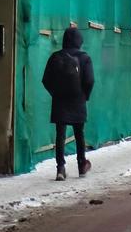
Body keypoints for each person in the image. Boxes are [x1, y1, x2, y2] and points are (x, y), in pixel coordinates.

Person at [41, 25, 95, 181]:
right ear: (79, 40)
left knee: (60, 135)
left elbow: (46, 80)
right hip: (78, 100)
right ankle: (81, 165)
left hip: (60, 101)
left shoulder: (55, 57)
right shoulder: (84, 58)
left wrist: (55, 93)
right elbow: (90, 80)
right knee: (79, 134)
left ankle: (60, 168)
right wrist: (85, 95)